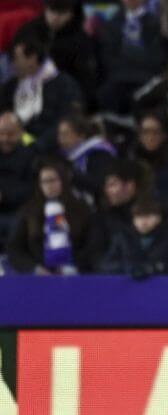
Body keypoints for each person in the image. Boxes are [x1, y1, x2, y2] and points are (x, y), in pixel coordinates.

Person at [7, 155, 96, 274]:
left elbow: (93, 245)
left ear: (64, 180)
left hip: (76, 274)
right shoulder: (29, 210)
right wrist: (35, 269)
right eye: (44, 182)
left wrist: (74, 266)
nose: (49, 186)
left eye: (53, 180)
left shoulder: (82, 208)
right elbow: (14, 248)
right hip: (39, 276)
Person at [0, 36, 83, 151]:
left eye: (16, 59)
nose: (13, 64)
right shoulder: (11, 86)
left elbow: (66, 120)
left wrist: (36, 146)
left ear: (32, 58)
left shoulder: (64, 85)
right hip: (11, 145)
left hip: (48, 148)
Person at [14, 0, 98, 109]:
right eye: (52, 11)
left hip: (64, 98)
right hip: (27, 93)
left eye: (62, 13)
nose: (55, 18)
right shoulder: (29, 31)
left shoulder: (81, 41)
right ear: (45, 9)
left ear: (71, 14)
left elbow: (86, 79)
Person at [97, 0, 168, 114]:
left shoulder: (156, 24)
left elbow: (158, 58)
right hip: (118, 80)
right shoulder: (111, 24)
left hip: (146, 79)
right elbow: (107, 58)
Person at [98, 197, 168, 277]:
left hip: (162, 289)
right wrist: (130, 268)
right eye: (138, 216)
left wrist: (154, 268)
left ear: (160, 218)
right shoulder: (123, 237)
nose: (143, 222)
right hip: (128, 289)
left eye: (149, 216)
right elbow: (105, 265)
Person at [56, 114, 117, 202]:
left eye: (65, 134)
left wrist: (72, 175)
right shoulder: (63, 157)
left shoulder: (99, 153)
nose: (60, 140)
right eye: (59, 134)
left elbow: (100, 184)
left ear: (81, 136)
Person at [0, 111, 35, 247]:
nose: (5, 138)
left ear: (21, 133)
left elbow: (32, 189)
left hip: (19, 213)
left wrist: (5, 195)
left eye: (10, 134)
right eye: (1, 133)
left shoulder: (31, 155)